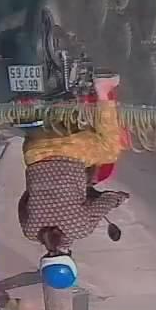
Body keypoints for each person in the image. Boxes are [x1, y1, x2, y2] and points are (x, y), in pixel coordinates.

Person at [19, 73, 130, 288]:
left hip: (72, 152)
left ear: (71, 261)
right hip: (34, 153)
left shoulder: (80, 228)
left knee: (110, 148)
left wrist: (120, 198)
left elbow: (106, 200)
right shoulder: (30, 231)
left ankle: (103, 90)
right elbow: (25, 199)